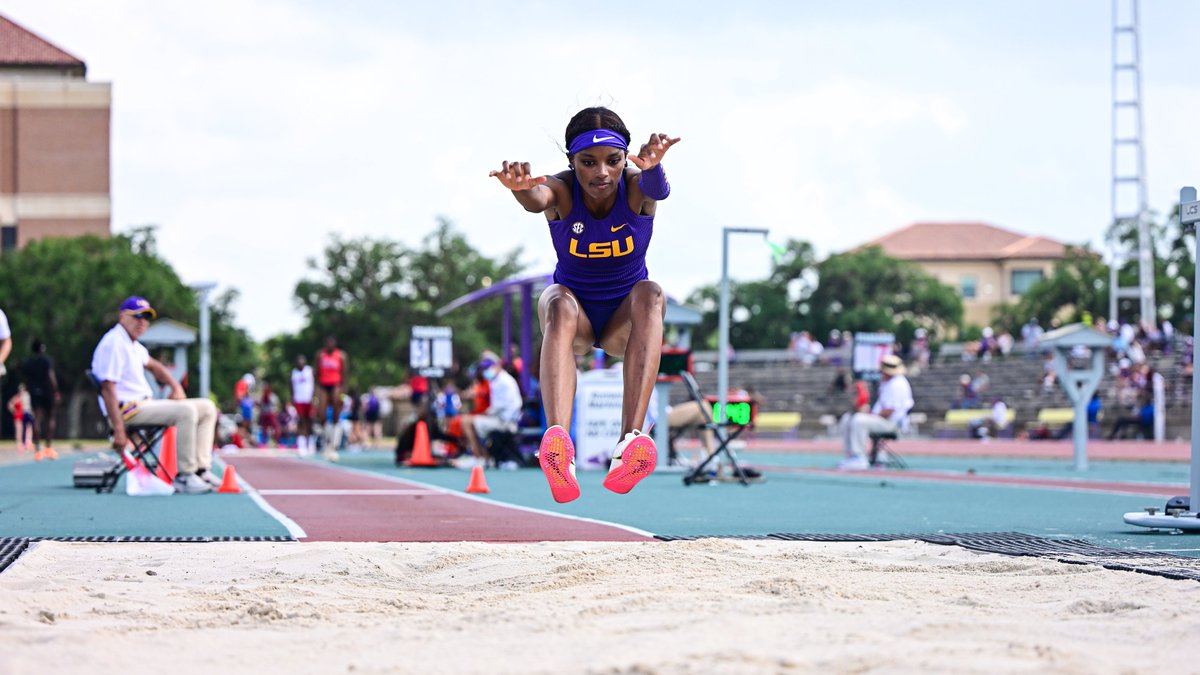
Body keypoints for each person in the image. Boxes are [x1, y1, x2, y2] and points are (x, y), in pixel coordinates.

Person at [489, 106, 679, 502]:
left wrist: (653, 167)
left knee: (652, 292)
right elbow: (537, 199)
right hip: (574, 319)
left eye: (613, 161)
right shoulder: (561, 190)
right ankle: (557, 446)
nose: (601, 173)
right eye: (588, 163)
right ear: (572, 162)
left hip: (620, 324)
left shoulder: (636, 186)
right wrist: (521, 187)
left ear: (625, 157)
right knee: (556, 299)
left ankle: (630, 443)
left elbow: (658, 190)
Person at [91, 296, 220, 494]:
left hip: (143, 405)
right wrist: (118, 429)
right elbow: (108, 388)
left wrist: (175, 386)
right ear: (122, 317)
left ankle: (201, 470)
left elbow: (155, 366)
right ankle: (185, 476)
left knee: (207, 407)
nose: (143, 322)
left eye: (146, 317)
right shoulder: (114, 343)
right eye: (137, 316)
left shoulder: (132, 344)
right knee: (185, 411)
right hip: (127, 410)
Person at [837, 355, 913, 470]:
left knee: (859, 420)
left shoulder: (897, 384)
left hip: (892, 424)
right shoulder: (888, 383)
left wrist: (871, 416)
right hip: (883, 420)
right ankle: (851, 456)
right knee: (847, 418)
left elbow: (889, 411)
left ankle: (859, 457)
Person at [456, 357, 523, 469]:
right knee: (467, 421)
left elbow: (500, 406)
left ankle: (480, 457)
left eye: (487, 368)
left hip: (506, 421)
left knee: (466, 422)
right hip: (500, 418)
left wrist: (485, 413)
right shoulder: (497, 380)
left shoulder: (503, 381)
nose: (485, 372)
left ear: (496, 366)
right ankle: (481, 457)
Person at [20, 339, 60, 460]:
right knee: (51, 417)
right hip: (47, 391)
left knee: (37, 418)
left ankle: (37, 449)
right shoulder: (47, 361)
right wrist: (56, 390)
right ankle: (48, 447)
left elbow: (25, 378)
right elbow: (50, 375)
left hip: (34, 391)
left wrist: (28, 388)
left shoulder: (29, 362)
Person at [314, 336, 348, 459]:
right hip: (323, 385)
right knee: (321, 415)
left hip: (336, 385)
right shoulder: (320, 355)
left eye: (331, 343)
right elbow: (316, 374)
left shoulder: (341, 356)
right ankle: (325, 440)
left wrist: (343, 393)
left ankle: (334, 444)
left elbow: (344, 375)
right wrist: (315, 392)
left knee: (335, 415)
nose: (329, 345)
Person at [290, 355, 316, 454]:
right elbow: (291, 387)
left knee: (310, 421)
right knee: (301, 421)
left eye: (302, 360)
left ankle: (311, 443)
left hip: (309, 399)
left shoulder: (309, 370)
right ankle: (302, 444)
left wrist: (315, 397)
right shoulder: (293, 373)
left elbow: (315, 384)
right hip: (298, 400)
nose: (300, 362)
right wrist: (292, 398)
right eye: (298, 361)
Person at [7, 384, 34, 453]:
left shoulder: (26, 396)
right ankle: (19, 444)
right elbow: (10, 404)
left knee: (28, 428)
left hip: (24, 414)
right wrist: (14, 411)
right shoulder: (17, 397)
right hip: (18, 416)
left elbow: (28, 406)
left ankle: (28, 442)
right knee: (19, 430)